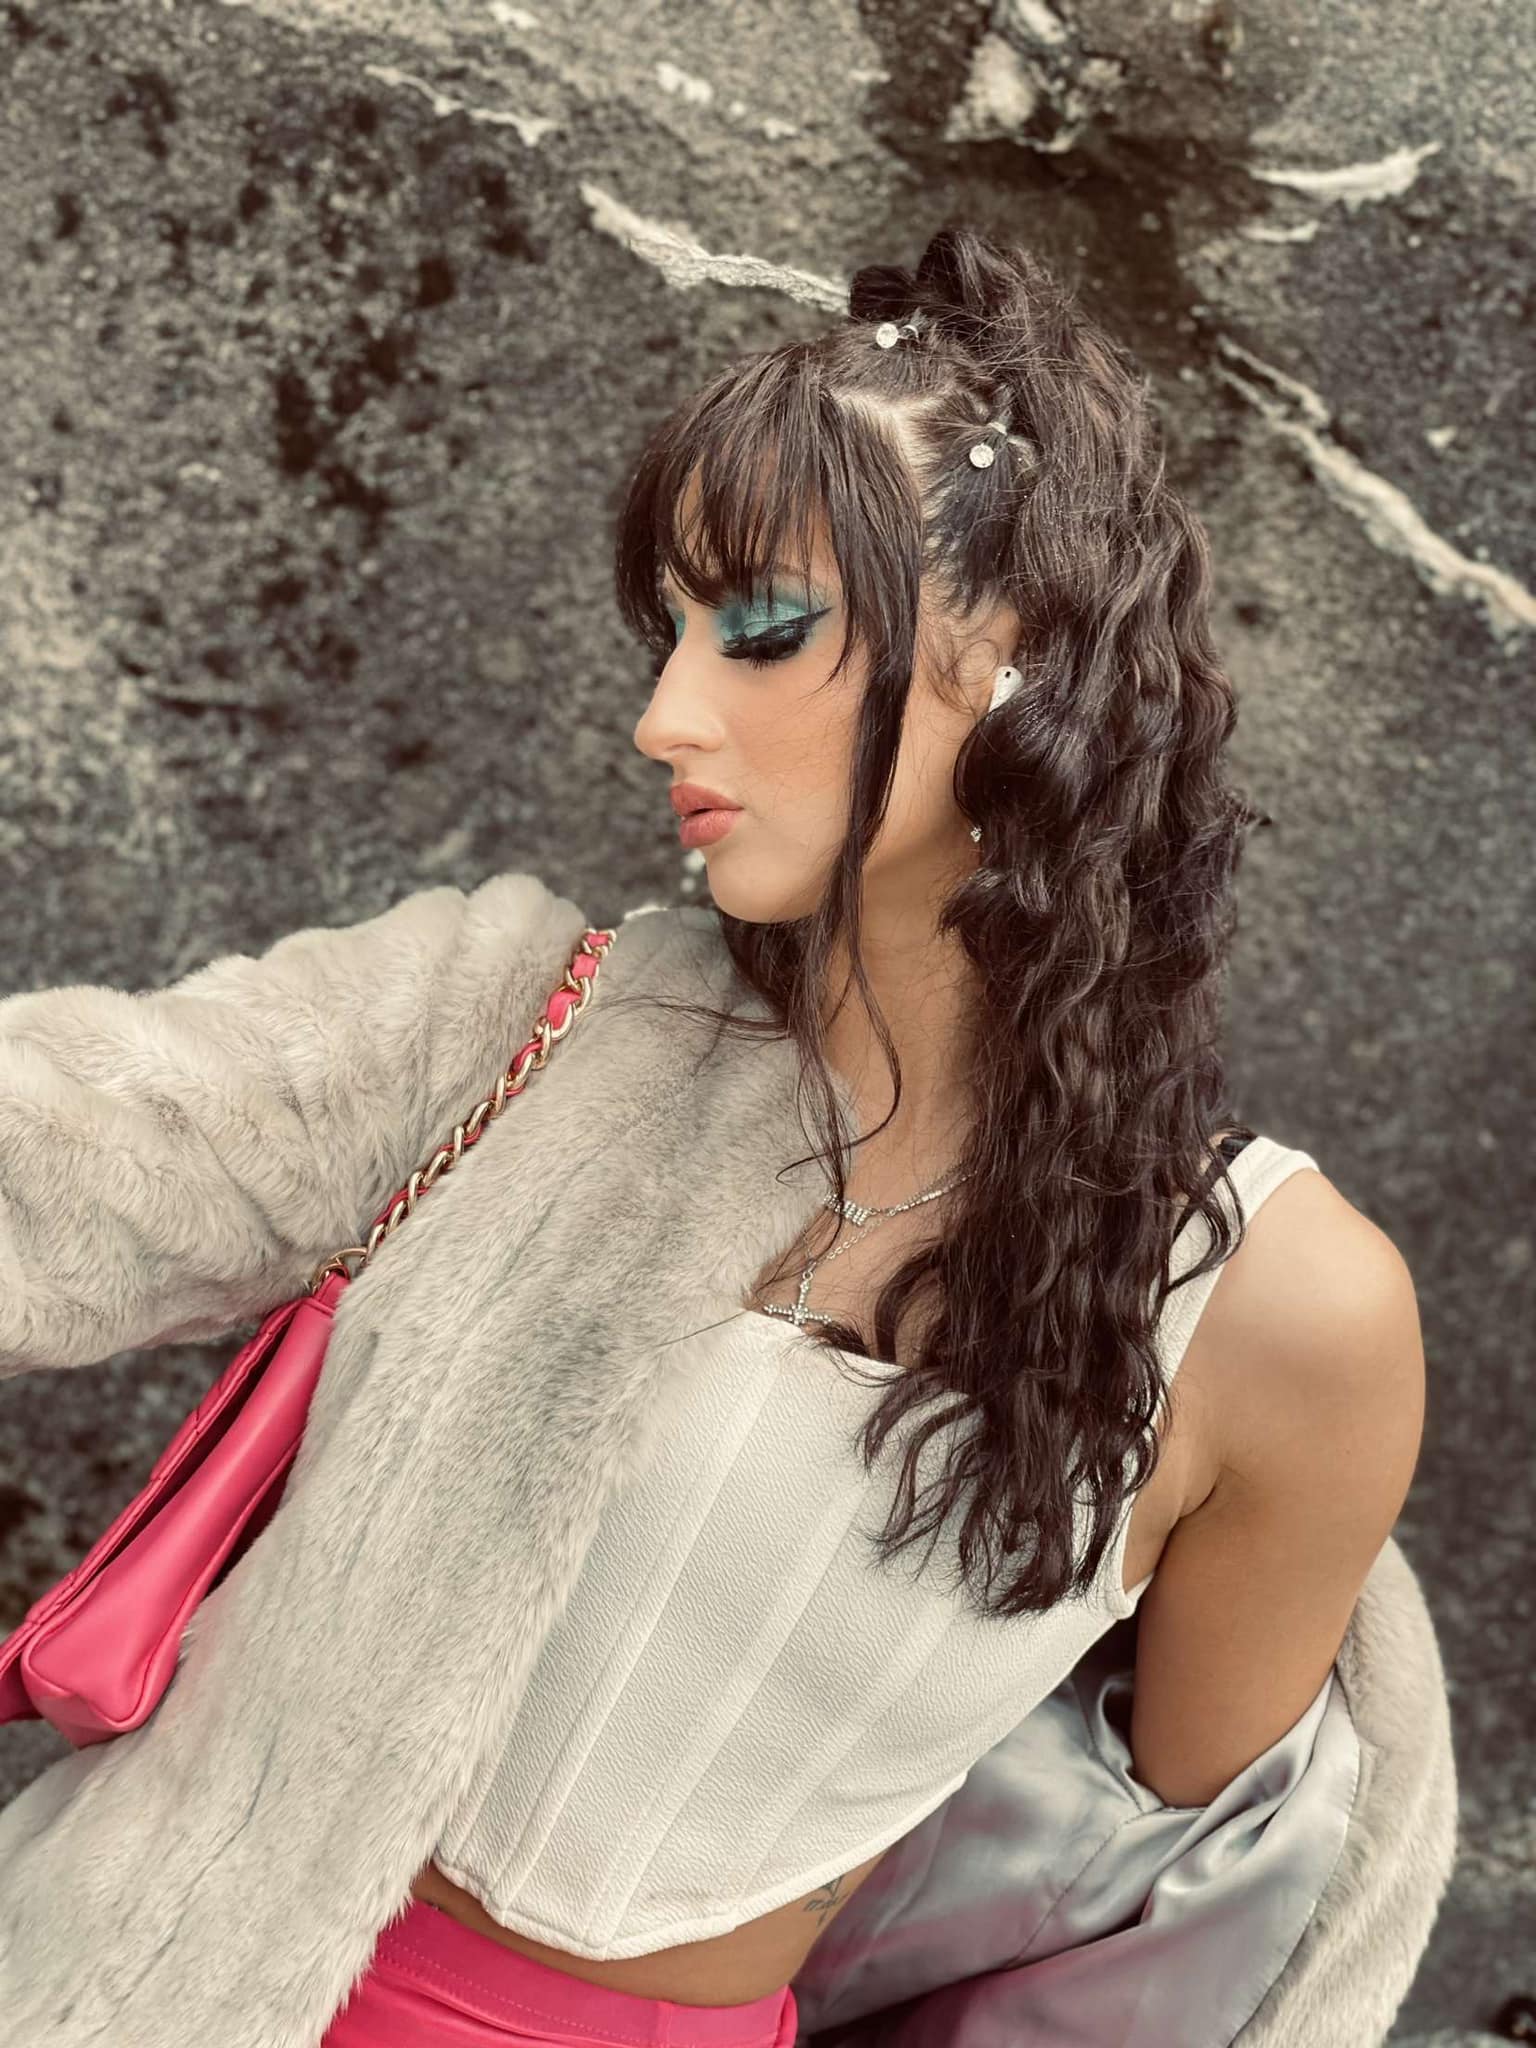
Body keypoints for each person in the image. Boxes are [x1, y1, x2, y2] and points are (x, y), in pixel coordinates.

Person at [0, 223, 1427, 2048]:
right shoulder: (520, 1016)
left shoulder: (1287, 1316)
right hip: (150, 1982)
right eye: (668, 630)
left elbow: (1167, 1889)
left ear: (1016, 647)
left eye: (759, 629)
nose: (665, 714)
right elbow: (64, 1160)